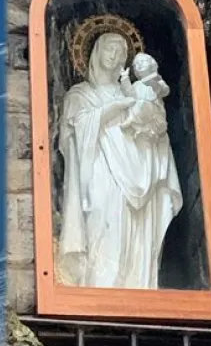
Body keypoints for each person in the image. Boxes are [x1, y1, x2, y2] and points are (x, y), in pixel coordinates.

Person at [57, 31, 182, 289]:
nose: (114, 55)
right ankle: (98, 286)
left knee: (137, 233)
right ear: (95, 52)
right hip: (100, 171)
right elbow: (70, 138)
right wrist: (109, 111)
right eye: (109, 48)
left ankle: (136, 289)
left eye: (121, 51)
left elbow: (159, 125)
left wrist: (146, 123)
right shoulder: (80, 94)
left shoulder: (138, 91)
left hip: (141, 169)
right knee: (103, 222)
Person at [117, 52, 170, 140]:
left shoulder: (156, 78)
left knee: (142, 104)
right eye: (136, 64)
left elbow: (165, 91)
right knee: (133, 104)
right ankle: (132, 120)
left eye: (142, 61)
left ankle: (131, 120)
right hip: (141, 115)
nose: (139, 65)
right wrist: (125, 78)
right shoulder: (137, 84)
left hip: (154, 112)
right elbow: (129, 93)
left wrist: (155, 85)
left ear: (151, 64)